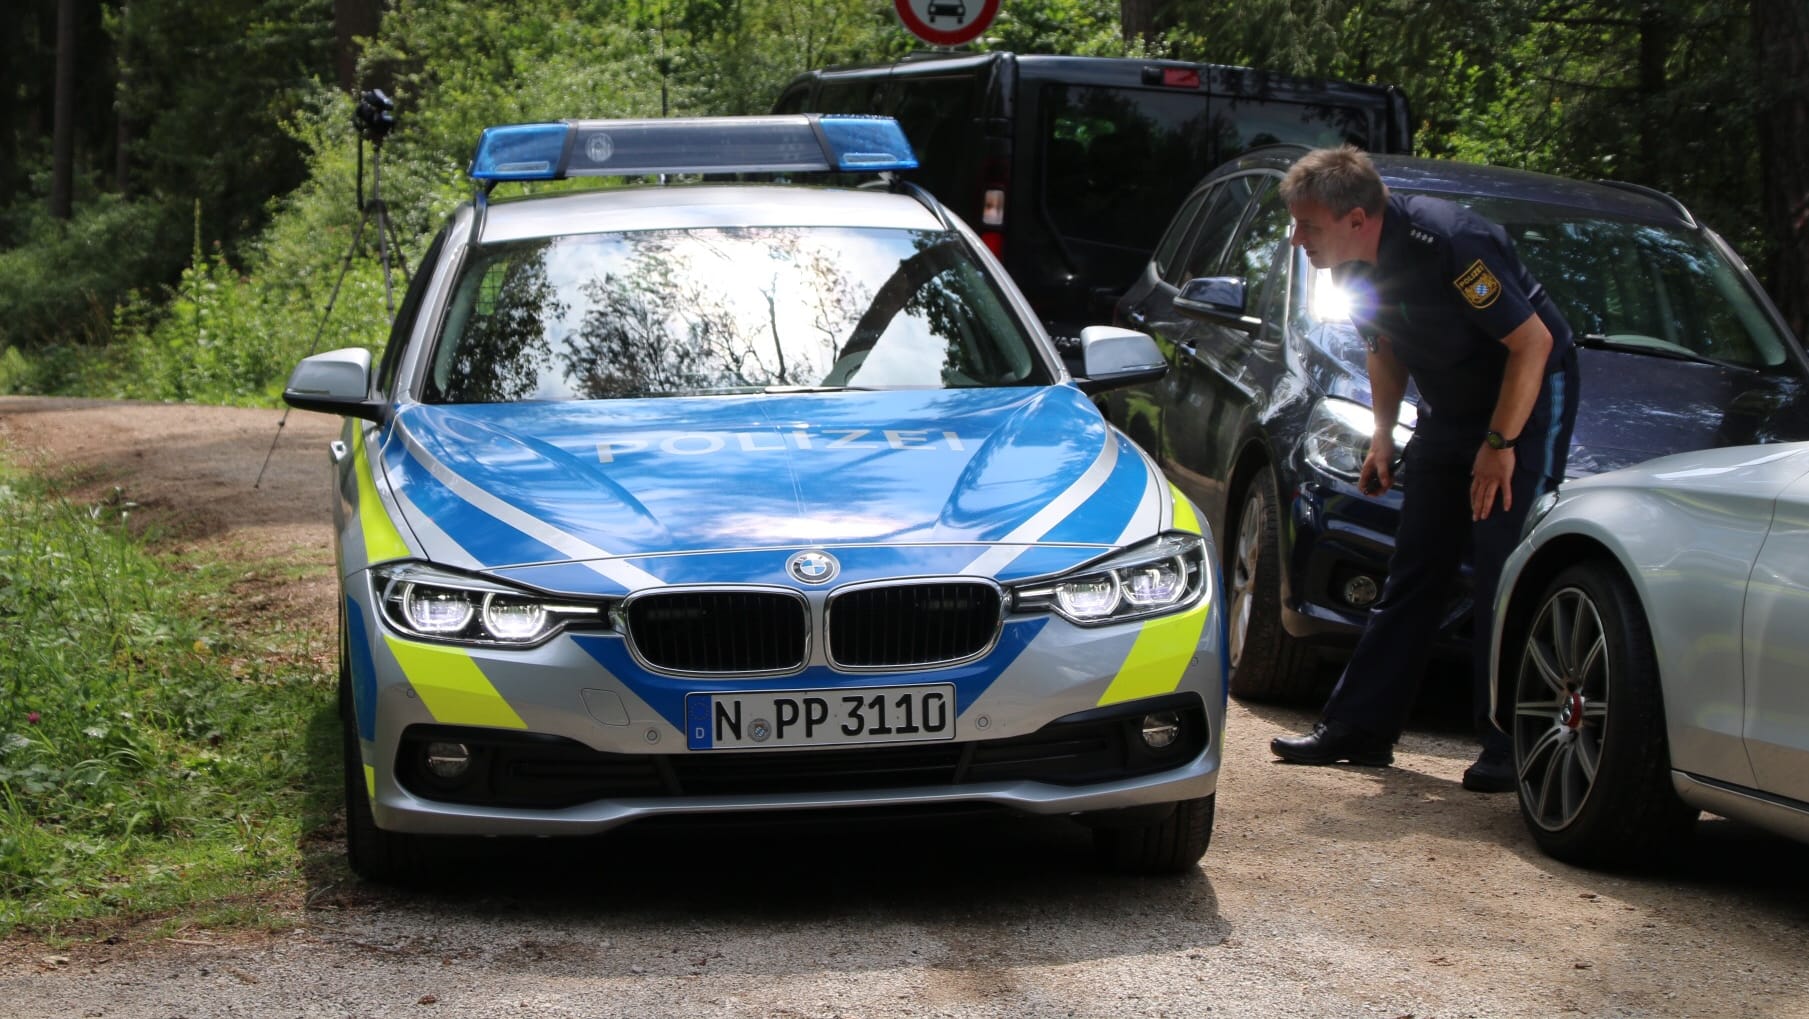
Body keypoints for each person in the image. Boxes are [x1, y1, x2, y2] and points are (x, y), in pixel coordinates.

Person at [1268, 146, 1579, 792]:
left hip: (1522, 398)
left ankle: (1507, 742)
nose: (1297, 239)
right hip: (1448, 403)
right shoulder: (1345, 266)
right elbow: (1382, 346)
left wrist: (1499, 442)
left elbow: (1533, 344)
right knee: (1414, 564)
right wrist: (1381, 436)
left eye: (1308, 225)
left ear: (1356, 218)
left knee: (1502, 565)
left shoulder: (1450, 243)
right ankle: (1359, 727)